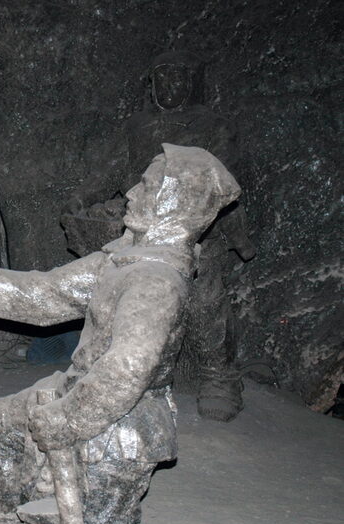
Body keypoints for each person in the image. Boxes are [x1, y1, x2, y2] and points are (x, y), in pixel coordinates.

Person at [0, 146, 272, 524]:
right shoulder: (125, 259)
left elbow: (127, 372)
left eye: (146, 185)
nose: (131, 191)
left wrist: (66, 422)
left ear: (174, 201)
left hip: (123, 428)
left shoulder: (155, 281)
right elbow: (49, 294)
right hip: (79, 392)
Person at [63, 51, 256, 422]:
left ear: (191, 83)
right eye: (161, 78)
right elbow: (113, 170)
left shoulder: (212, 125)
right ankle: (120, 368)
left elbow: (225, 181)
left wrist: (230, 229)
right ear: (151, 85)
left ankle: (219, 376)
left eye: (178, 77)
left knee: (206, 297)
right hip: (142, 226)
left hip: (195, 226)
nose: (170, 86)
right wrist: (81, 197)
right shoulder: (137, 127)